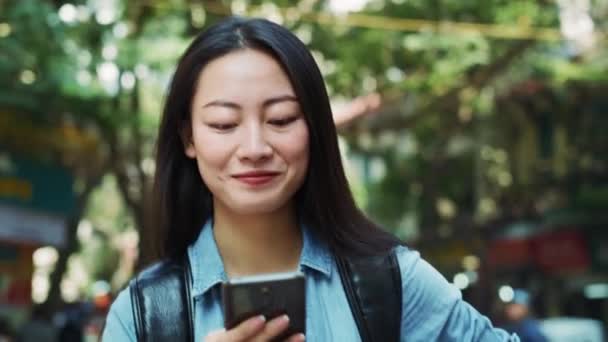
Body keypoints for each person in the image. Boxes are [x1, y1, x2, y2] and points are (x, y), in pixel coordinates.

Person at [102, 16, 518, 341]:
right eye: (224, 123)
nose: (254, 146)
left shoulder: (392, 282)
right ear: (188, 137)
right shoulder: (142, 314)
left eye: (281, 119)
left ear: (314, 128)